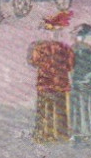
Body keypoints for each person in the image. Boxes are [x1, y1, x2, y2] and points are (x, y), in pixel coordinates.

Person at [27, 11, 74, 143]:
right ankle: (61, 135)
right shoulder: (66, 48)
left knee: (44, 110)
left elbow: (34, 62)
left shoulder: (39, 47)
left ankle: (43, 135)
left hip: (45, 84)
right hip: (61, 84)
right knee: (60, 110)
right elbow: (71, 65)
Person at [68, 23, 91, 144]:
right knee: (78, 108)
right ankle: (77, 134)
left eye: (79, 36)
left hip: (86, 83)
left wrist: (87, 78)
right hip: (77, 83)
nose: (78, 39)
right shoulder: (73, 50)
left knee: (89, 108)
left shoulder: (90, 52)